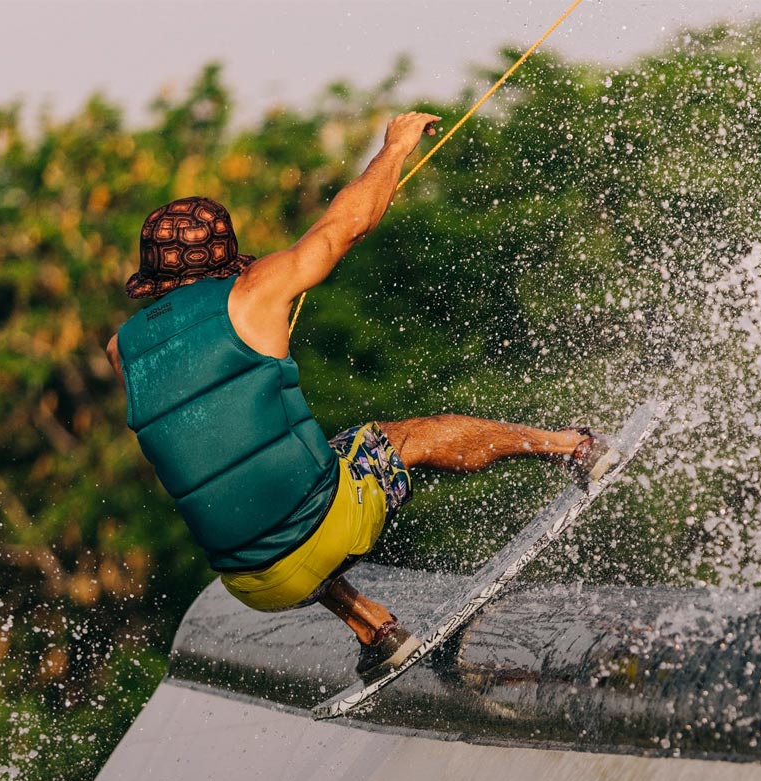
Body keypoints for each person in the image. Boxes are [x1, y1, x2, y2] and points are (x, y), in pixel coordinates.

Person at [107, 111, 617, 681]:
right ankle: (572, 447)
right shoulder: (252, 290)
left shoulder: (120, 350)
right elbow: (344, 226)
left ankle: (375, 629)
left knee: (296, 479)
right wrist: (395, 149)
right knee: (401, 439)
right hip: (324, 527)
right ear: (228, 260)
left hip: (250, 582)